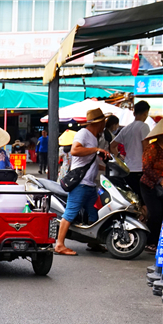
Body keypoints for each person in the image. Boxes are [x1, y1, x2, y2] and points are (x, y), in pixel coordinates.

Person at [54, 108, 112, 256]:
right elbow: (75, 151)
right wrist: (96, 149)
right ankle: (59, 244)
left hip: (90, 184)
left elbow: (88, 160)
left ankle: (93, 242)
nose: (105, 124)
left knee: (94, 213)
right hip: (80, 183)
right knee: (70, 213)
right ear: (99, 122)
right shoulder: (83, 133)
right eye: (103, 121)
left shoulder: (93, 137)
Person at [111, 100, 151, 197]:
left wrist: (120, 157)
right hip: (140, 169)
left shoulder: (126, 129)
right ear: (146, 113)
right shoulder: (144, 127)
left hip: (128, 170)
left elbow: (112, 146)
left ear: (134, 113)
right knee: (144, 199)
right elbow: (146, 149)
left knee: (135, 198)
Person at [140, 120, 163, 251]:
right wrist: (160, 180)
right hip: (148, 185)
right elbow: (146, 168)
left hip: (160, 186)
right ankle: (150, 242)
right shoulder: (152, 148)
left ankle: (158, 241)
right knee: (156, 213)